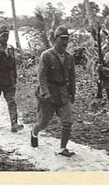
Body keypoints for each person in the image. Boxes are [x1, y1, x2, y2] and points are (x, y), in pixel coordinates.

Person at [30, 26, 76, 157]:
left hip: (63, 93)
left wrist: (73, 92)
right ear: (55, 39)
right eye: (62, 39)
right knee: (43, 122)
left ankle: (62, 148)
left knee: (67, 121)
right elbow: (42, 76)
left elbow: (72, 77)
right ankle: (34, 132)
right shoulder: (46, 55)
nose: (65, 42)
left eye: (67, 39)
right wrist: (45, 93)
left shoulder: (70, 57)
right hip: (48, 94)